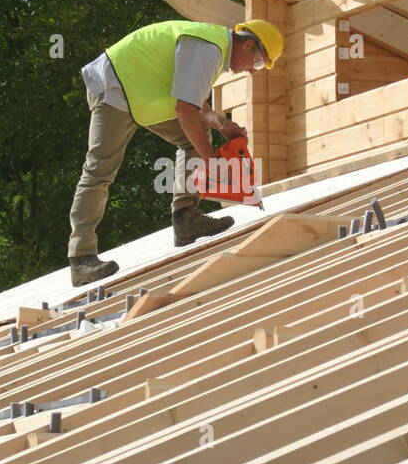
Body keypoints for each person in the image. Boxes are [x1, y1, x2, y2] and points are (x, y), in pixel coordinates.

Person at [68, 17, 284, 285]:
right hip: (116, 86)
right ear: (248, 44)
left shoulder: (213, 50)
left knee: (196, 136)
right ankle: (81, 258)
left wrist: (222, 124)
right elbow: (185, 110)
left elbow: (194, 101)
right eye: (259, 62)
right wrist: (212, 161)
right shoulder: (209, 47)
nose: (253, 71)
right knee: (99, 170)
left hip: (144, 94)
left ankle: (185, 219)